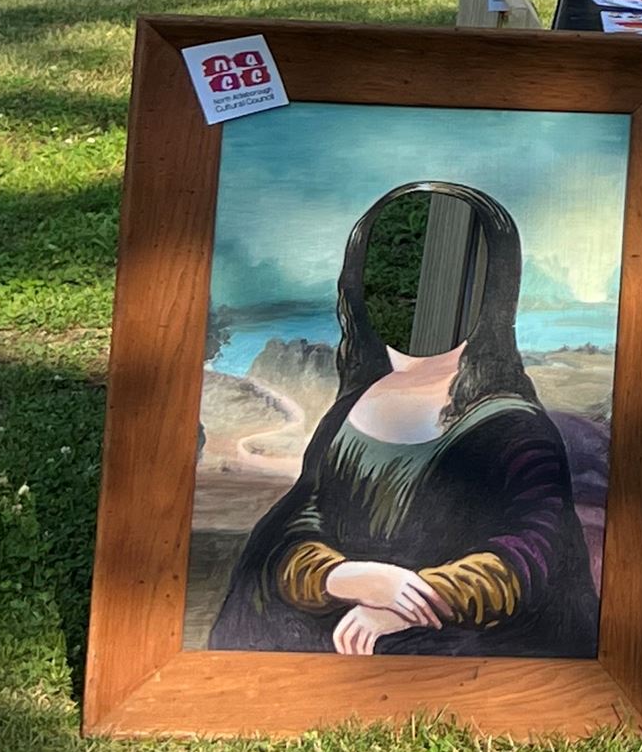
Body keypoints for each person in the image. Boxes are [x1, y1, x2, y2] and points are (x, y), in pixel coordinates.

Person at [208, 184, 600, 657]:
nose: (412, 298)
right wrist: (344, 577)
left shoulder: (511, 425)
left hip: (458, 651)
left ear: (485, 292)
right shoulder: (354, 407)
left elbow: (532, 554)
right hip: (333, 632)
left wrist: (410, 599)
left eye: (436, 279)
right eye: (392, 276)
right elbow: (299, 523)